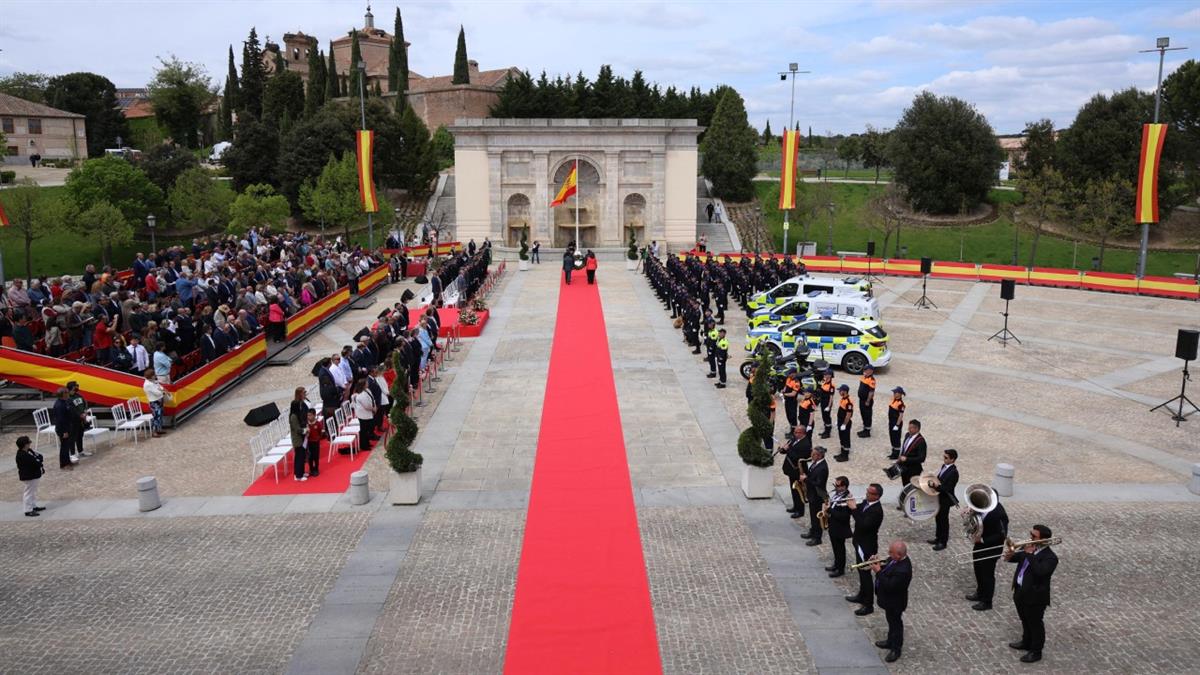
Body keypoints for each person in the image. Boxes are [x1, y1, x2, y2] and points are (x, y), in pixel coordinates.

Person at [1005, 524, 1058, 663]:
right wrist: (1010, 554)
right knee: (1025, 619)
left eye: (1034, 536)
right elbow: (1015, 558)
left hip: (1035, 596)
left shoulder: (1051, 558)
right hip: (1020, 591)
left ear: (1043, 540)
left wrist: (1029, 555)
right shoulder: (1029, 548)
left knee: (1035, 624)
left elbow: (1040, 572)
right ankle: (1026, 641)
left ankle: (1036, 651)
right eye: (1031, 534)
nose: (1030, 538)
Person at [872, 540, 914, 663]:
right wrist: (876, 562)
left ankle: (896, 649)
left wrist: (878, 571)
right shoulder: (895, 560)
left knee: (896, 624)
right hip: (889, 601)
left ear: (899, 555)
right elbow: (888, 566)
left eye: (891, 552)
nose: (888, 554)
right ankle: (890, 641)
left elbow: (890, 585)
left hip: (896, 603)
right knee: (891, 621)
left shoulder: (903, 570)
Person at [847, 482, 884, 615]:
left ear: (877, 496)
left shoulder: (876, 511)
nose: (866, 494)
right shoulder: (866, 503)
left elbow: (863, 524)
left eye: (869, 493)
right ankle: (861, 595)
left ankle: (868, 605)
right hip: (859, 541)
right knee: (861, 572)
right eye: (867, 491)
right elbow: (859, 511)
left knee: (865, 574)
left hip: (867, 545)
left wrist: (853, 509)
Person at [968, 495, 1009, 611]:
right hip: (979, 545)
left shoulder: (999, 513)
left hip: (991, 548)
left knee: (987, 575)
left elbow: (1002, 535)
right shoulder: (983, 507)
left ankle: (987, 602)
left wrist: (982, 540)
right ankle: (980, 592)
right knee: (978, 570)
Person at [778, 425, 811, 519]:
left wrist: (788, 450)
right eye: (795, 432)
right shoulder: (794, 439)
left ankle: (800, 511)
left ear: (803, 433)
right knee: (793, 489)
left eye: (797, 432)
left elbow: (798, 457)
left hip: (798, 470)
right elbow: (788, 449)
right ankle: (795, 506)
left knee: (799, 491)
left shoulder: (805, 444)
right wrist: (783, 449)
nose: (795, 434)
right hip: (791, 470)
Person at [928, 448, 959, 550]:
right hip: (939, 498)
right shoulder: (944, 466)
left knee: (943, 520)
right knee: (938, 518)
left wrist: (935, 486)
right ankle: (938, 537)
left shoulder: (954, 472)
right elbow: (939, 479)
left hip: (945, 500)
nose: (944, 459)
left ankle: (943, 541)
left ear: (952, 459)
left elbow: (947, 488)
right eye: (944, 457)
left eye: (946, 458)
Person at [799, 446, 829, 546]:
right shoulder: (816, 463)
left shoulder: (823, 468)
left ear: (819, 455)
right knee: (812, 515)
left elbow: (819, 484)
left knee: (816, 517)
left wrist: (806, 479)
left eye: (813, 454)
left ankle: (817, 538)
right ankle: (812, 531)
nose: (811, 455)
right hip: (812, 493)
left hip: (817, 495)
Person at [825, 475, 852, 577]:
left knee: (840, 549)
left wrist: (829, 510)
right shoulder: (837, 494)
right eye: (835, 484)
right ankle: (836, 565)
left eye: (837, 485)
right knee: (835, 547)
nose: (835, 487)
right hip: (833, 525)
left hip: (840, 528)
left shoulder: (847, 498)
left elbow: (843, 516)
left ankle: (840, 569)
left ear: (844, 487)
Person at [895, 420, 926, 508]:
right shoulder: (907, 435)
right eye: (909, 427)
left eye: (911, 428)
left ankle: (911, 507)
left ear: (917, 429)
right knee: (905, 487)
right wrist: (900, 457)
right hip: (905, 468)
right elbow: (904, 448)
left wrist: (907, 459)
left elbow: (922, 458)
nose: (909, 429)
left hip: (914, 470)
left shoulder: (921, 441)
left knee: (912, 489)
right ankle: (905, 504)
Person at [15, 436, 46, 517]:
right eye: (28, 443)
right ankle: (28, 510)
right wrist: (38, 461)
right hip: (29, 476)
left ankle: (33, 506)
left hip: (33, 475)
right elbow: (35, 462)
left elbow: (39, 456)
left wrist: (38, 460)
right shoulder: (22, 455)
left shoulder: (29, 451)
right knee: (28, 493)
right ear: (25, 445)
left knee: (33, 492)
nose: (30, 444)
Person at [52, 387, 77, 470]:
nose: (68, 394)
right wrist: (65, 431)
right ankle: (63, 464)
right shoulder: (59, 405)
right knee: (64, 447)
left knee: (67, 446)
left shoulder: (64, 402)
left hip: (67, 426)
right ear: (63, 394)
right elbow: (60, 420)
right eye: (66, 393)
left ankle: (67, 461)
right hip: (63, 429)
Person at [288, 390, 310, 481]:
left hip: (300, 438)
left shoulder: (296, 415)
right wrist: (305, 430)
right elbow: (297, 429)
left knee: (301, 456)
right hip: (297, 439)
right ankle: (298, 476)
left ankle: (300, 472)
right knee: (299, 457)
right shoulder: (293, 416)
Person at [142, 369, 170, 438]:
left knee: (160, 416)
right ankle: (154, 432)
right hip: (154, 402)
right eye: (154, 375)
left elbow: (159, 386)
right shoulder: (148, 384)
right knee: (156, 417)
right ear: (151, 376)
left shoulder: (152, 381)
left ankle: (159, 429)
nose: (155, 376)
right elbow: (157, 392)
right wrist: (163, 392)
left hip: (159, 400)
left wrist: (162, 390)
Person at [352, 379, 377, 451]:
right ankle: (364, 445)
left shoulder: (367, 390)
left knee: (367, 430)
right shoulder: (360, 395)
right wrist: (373, 409)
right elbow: (367, 406)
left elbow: (372, 399)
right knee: (364, 431)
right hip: (363, 415)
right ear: (363, 385)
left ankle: (367, 442)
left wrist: (374, 406)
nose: (368, 383)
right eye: (366, 383)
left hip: (368, 413)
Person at [833, 384, 854, 462]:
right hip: (840, 421)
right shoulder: (843, 399)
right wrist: (838, 420)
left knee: (845, 439)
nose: (839, 392)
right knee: (841, 438)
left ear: (844, 391)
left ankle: (845, 456)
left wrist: (844, 424)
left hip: (845, 423)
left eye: (840, 391)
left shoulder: (848, 401)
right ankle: (842, 453)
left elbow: (848, 414)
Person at [856, 365, 876, 438]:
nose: (864, 371)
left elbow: (871, 392)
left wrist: (868, 401)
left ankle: (867, 432)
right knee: (863, 414)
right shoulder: (864, 377)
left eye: (866, 370)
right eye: (864, 370)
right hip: (861, 400)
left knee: (867, 415)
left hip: (866, 401)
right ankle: (864, 428)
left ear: (870, 371)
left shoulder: (872, 380)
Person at [886, 386, 906, 459]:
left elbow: (900, 415)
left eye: (895, 393)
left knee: (896, 438)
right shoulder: (893, 400)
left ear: (900, 394)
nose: (894, 394)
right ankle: (893, 451)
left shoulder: (901, 404)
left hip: (896, 422)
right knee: (892, 436)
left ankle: (896, 453)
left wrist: (897, 425)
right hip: (891, 421)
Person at [304, 408, 323, 477]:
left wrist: (318, 438)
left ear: (314, 415)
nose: (309, 417)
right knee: (310, 457)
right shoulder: (307, 424)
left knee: (316, 456)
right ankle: (311, 469)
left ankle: (316, 469)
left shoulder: (318, 424)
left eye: (310, 415)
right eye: (308, 415)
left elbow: (320, 432)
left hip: (316, 442)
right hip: (309, 443)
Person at [818, 370, 835, 439]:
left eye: (826, 374)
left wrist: (828, 406)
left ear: (830, 375)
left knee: (827, 417)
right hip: (823, 401)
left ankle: (828, 432)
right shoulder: (824, 381)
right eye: (824, 374)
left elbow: (831, 397)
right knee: (824, 416)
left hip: (827, 402)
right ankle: (825, 430)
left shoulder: (831, 385)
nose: (824, 375)